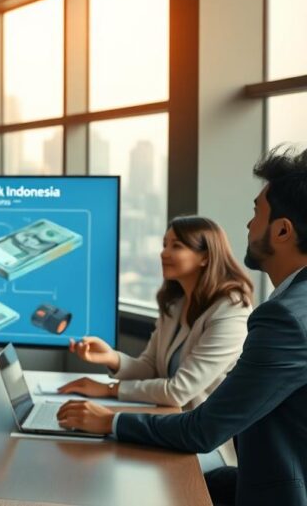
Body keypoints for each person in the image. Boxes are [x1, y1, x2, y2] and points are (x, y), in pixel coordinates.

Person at [58, 146, 307, 506]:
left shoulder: (281, 318)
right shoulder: (284, 305)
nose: (249, 224)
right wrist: (112, 363)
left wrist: (109, 421)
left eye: (256, 213)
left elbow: (202, 428)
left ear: (282, 231)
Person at [59, 216, 253, 410]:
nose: (164, 253)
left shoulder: (232, 310)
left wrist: (110, 389)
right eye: (164, 245)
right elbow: (150, 368)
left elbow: (178, 391)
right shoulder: (176, 303)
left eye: (176, 246)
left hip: (202, 432)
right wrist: (111, 358)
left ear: (205, 257)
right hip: (165, 419)